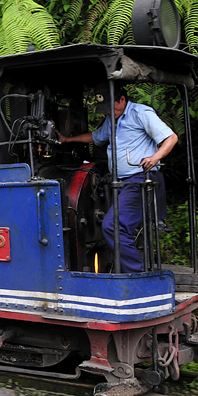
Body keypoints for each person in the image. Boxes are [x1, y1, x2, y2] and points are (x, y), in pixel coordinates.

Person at [57, 84, 178, 273]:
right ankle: (127, 269)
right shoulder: (112, 119)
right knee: (119, 229)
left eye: (110, 107)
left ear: (122, 99)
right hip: (121, 183)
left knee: (113, 226)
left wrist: (155, 158)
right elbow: (95, 137)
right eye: (104, 110)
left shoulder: (140, 113)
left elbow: (171, 138)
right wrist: (67, 140)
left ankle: (136, 274)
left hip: (139, 179)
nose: (107, 112)